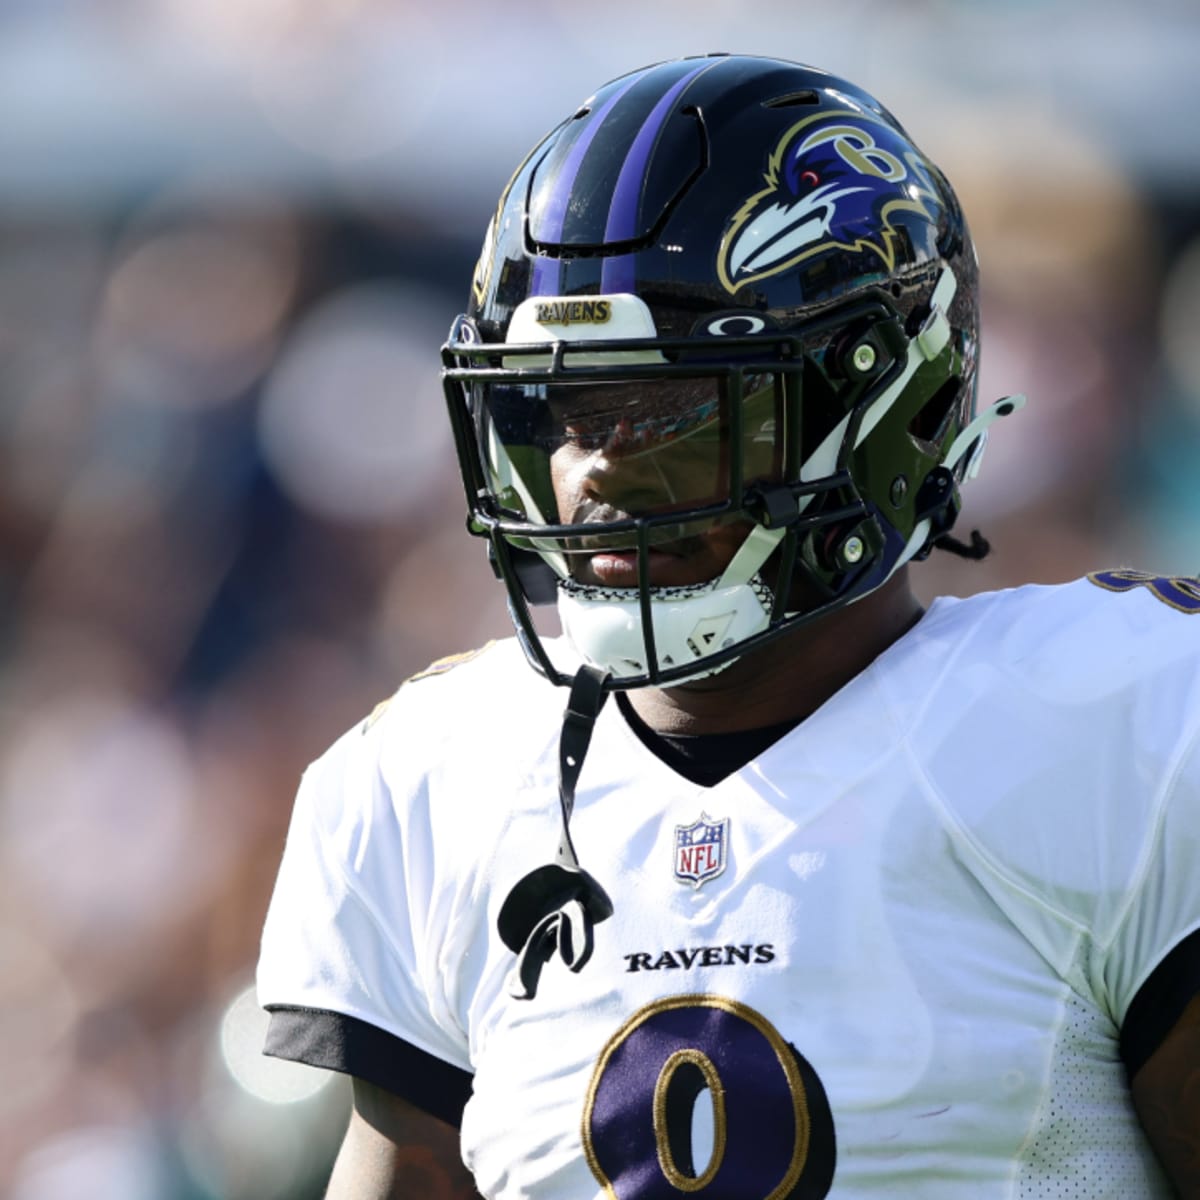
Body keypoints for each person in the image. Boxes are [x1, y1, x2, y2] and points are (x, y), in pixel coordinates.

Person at [256, 53, 1200, 1199]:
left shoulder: (1118, 725)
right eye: (568, 407)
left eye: (671, 405)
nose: (596, 469)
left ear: (879, 405)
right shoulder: (427, 785)